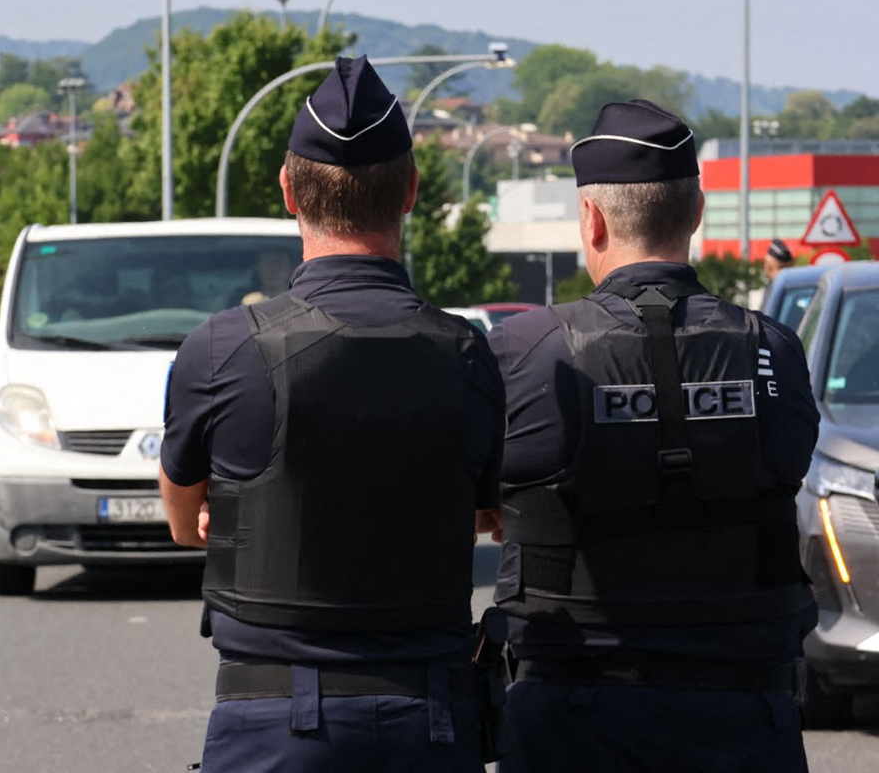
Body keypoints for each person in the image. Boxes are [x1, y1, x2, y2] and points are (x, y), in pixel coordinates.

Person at [159, 56, 506, 773]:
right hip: (430, 722)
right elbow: (488, 513)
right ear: (411, 191)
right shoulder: (467, 354)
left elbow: (181, 518)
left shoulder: (221, 349)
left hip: (271, 725)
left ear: (289, 190)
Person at [488, 100, 819, 773]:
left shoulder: (525, 351)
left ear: (592, 217)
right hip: (742, 721)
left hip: (572, 720)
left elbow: (468, 496)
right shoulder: (774, 350)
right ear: (696, 211)